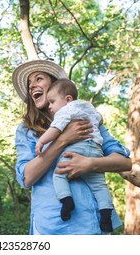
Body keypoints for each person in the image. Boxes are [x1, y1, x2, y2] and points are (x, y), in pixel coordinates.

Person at [12, 59, 132, 235]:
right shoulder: (26, 130)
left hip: (92, 224)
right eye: (29, 83)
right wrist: (63, 139)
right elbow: (26, 178)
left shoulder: (85, 119)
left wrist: (90, 164)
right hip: (50, 226)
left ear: (55, 85)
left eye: (38, 79)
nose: (32, 86)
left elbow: (124, 162)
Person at [35, 78, 114, 232]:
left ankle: (67, 200)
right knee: (99, 186)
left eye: (52, 102)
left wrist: (41, 142)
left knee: (59, 175)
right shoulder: (89, 107)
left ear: (68, 99)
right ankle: (105, 214)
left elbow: (56, 129)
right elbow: (98, 120)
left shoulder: (67, 109)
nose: (50, 107)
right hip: (96, 151)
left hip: (77, 149)